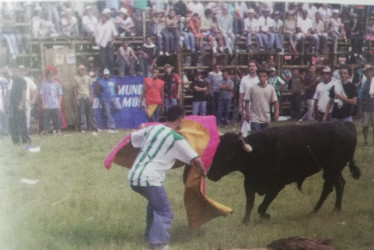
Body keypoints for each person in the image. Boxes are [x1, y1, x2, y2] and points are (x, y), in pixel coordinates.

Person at [128, 105, 206, 250]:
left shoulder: (153, 129)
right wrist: (203, 172)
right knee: (165, 213)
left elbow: (133, 136)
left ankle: (148, 236)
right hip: (149, 178)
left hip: (133, 176)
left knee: (154, 206)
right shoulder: (176, 138)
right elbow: (195, 159)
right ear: (180, 119)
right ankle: (158, 244)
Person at [244, 68, 279, 133]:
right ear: (258, 77)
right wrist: (247, 114)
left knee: (265, 138)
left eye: (264, 76)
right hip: (255, 118)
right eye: (260, 76)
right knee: (256, 137)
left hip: (266, 117)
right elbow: (247, 101)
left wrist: (276, 112)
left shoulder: (271, 88)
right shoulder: (252, 88)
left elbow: (275, 101)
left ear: (267, 77)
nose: (262, 78)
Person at [9, 66, 31, 146]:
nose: (15, 73)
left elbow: (24, 93)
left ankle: (25, 139)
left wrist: (21, 103)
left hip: (19, 104)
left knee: (22, 123)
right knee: (14, 123)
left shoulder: (23, 81)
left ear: (19, 72)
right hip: (13, 105)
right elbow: (10, 74)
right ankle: (16, 140)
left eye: (16, 71)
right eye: (14, 72)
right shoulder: (14, 80)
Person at [73, 64, 98, 133]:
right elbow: (74, 89)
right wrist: (76, 99)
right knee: (82, 113)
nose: (82, 70)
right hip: (80, 97)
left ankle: (94, 126)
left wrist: (92, 97)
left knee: (91, 112)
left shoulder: (88, 78)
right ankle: (83, 127)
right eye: (81, 69)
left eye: (83, 69)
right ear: (78, 70)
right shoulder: (75, 78)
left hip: (87, 96)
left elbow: (90, 88)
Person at [39, 69, 63, 135]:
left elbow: (60, 94)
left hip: (55, 104)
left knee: (56, 118)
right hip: (47, 105)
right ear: (46, 76)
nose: (51, 77)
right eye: (49, 75)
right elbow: (42, 94)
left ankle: (58, 130)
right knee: (46, 118)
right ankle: (45, 130)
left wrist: (59, 104)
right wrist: (43, 104)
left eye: (52, 75)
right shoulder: (44, 84)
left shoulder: (57, 84)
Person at [239, 60, 259, 136]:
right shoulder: (244, 79)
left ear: (256, 67)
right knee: (246, 126)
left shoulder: (260, 79)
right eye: (250, 66)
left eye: (253, 66)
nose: (252, 67)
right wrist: (240, 107)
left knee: (256, 125)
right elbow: (241, 94)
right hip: (246, 105)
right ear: (248, 68)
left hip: (258, 105)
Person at [18, 65, 37, 133]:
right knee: (18, 116)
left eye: (23, 71)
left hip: (26, 101)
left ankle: (27, 131)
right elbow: (10, 91)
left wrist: (33, 100)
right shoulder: (14, 79)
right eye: (20, 70)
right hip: (17, 101)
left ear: (25, 71)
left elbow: (35, 89)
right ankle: (19, 131)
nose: (21, 72)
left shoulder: (28, 80)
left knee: (27, 117)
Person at [359, 64, 374, 146]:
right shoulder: (364, 84)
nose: (367, 73)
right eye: (366, 72)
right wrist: (361, 108)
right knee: (365, 126)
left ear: (372, 71)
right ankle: (366, 141)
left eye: (368, 71)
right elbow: (360, 96)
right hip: (366, 107)